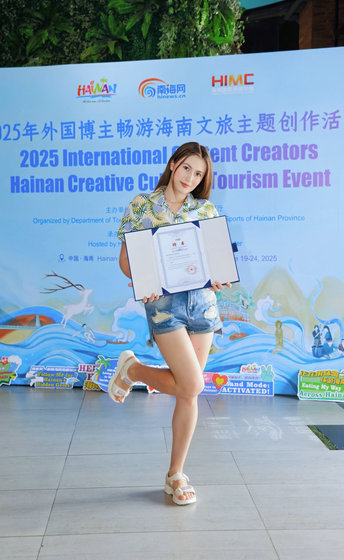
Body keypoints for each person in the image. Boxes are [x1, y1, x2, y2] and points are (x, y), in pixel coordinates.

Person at [108, 141, 231, 506]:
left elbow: (216, 264)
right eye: (186, 168)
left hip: (203, 306)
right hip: (164, 306)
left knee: (189, 393)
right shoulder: (142, 205)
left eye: (199, 174)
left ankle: (175, 474)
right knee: (192, 384)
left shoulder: (205, 210)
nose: (190, 178)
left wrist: (219, 277)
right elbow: (126, 261)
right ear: (174, 164)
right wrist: (141, 280)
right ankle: (134, 371)